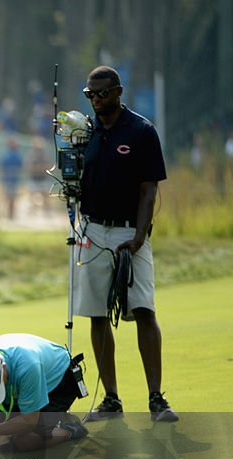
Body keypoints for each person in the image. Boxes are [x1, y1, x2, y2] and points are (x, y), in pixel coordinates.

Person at [74, 65, 178, 422]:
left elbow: (149, 190)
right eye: (90, 94)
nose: (96, 100)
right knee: (97, 315)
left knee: (144, 311)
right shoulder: (83, 133)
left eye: (102, 93)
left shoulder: (141, 131)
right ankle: (111, 400)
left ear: (118, 92)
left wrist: (138, 235)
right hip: (92, 231)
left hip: (129, 233)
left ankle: (156, 398)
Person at [0, 137, 24, 220]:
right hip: (8, 179)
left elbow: (20, 166)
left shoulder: (15, 155)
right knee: (8, 197)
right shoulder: (7, 154)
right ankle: (8, 213)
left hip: (13, 179)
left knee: (11, 197)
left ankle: (11, 214)